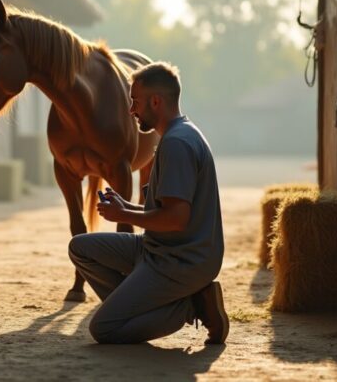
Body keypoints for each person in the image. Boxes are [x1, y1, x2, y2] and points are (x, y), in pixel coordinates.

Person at [68, 61, 228, 344]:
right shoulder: (178, 134)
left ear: (156, 101)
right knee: (80, 247)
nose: (131, 111)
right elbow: (166, 214)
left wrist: (126, 216)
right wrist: (126, 207)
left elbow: (176, 219)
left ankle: (192, 306)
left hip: (180, 261)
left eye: (135, 102)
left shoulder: (177, 143)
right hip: (158, 248)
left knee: (103, 329)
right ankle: (140, 304)